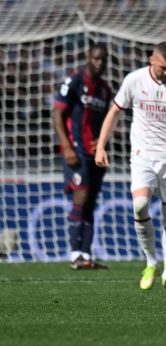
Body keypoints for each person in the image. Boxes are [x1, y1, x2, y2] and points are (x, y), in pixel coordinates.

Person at [95, 41, 166, 291]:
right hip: (143, 155)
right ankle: (151, 262)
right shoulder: (134, 80)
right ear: (152, 60)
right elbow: (114, 112)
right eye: (163, 68)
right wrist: (100, 145)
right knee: (140, 207)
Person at [53, 43, 111, 270]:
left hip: (95, 153)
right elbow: (57, 114)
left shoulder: (104, 89)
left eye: (103, 59)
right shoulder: (74, 81)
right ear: (88, 58)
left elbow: (108, 121)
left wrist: (103, 142)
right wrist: (66, 147)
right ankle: (75, 254)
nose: (100, 63)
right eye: (96, 58)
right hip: (76, 149)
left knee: (91, 202)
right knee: (81, 196)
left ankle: (86, 255)